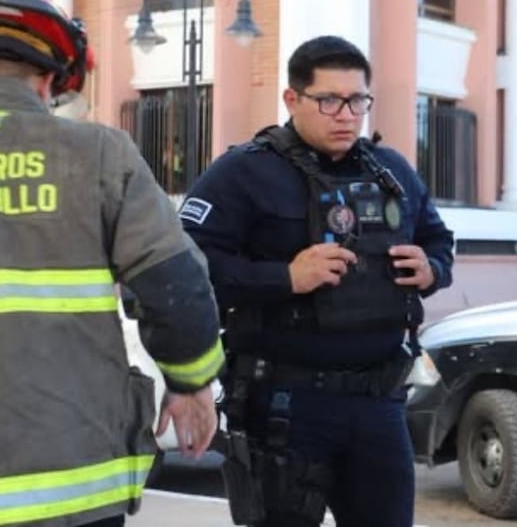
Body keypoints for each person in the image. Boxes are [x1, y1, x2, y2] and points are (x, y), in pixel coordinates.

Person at [0, 0, 225, 527]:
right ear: (48, 80)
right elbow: (176, 285)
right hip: (74, 489)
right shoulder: (97, 154)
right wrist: (192, 385)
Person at [179, 35, 454, 527]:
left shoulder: (390, 170)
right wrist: (283, 277)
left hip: (378, 404)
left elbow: (438, 239)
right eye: (329, 100)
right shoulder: (243, 173)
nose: (346, 114)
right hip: (285, 407)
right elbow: (186, 267)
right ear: (292, 99)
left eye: (357, 101)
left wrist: (432, 268)